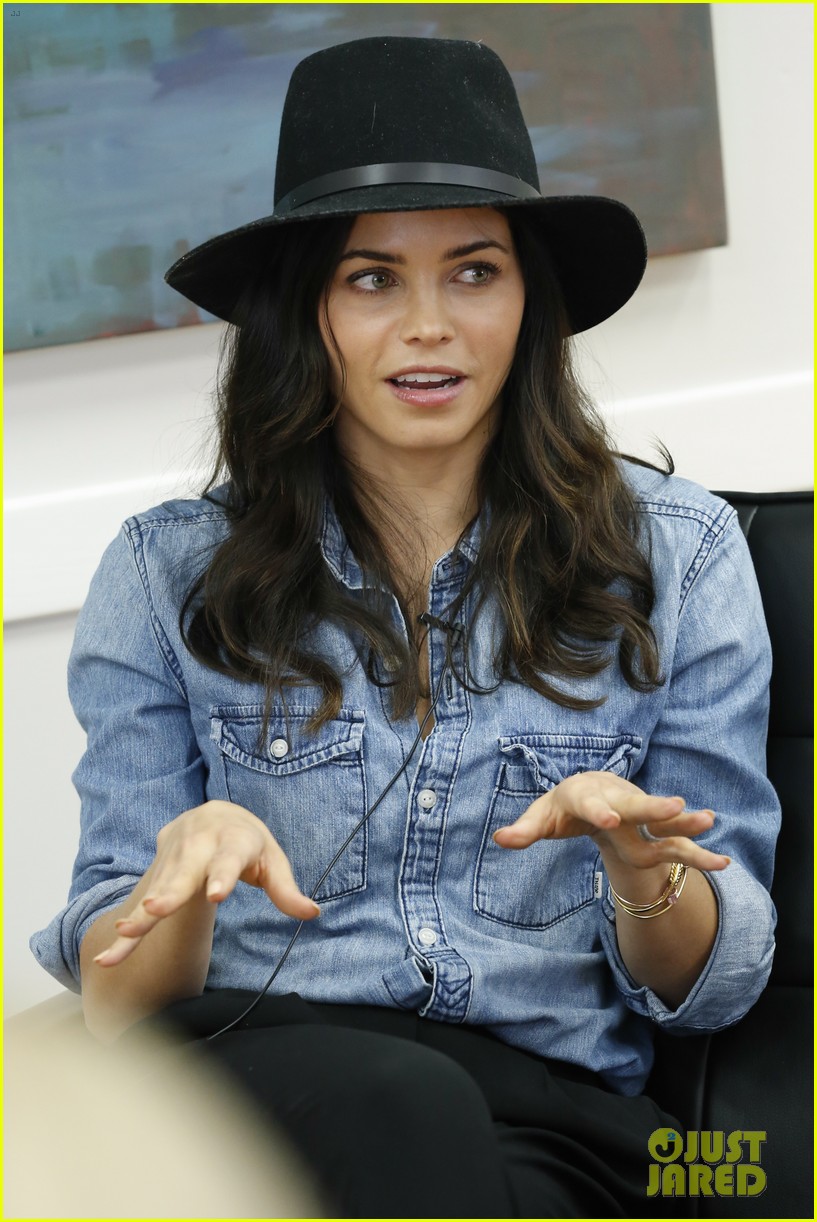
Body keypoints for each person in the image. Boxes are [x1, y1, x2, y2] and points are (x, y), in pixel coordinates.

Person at [32, 36, 778, 1219]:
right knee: (397, 1102)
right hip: (250, 1080)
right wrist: (183, 886)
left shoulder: (680, 556)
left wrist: (644, 874)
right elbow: (121, 1010)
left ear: (528, 298)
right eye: (372, 279)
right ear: (307, 310)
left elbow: (717, 986)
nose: (428, 324)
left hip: (550, 1110)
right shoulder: (164, 573)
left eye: (473, 271)